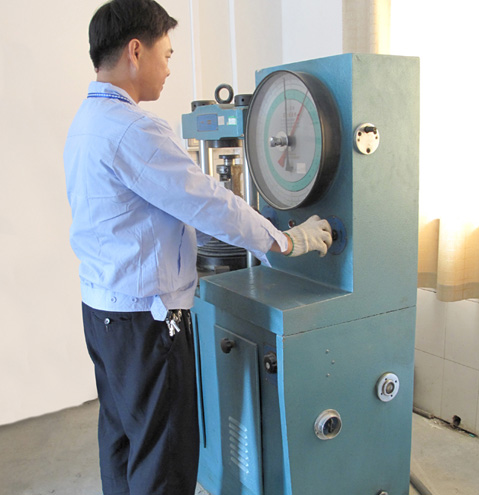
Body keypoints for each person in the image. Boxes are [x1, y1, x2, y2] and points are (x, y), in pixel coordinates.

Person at [63, 1, 333, 493]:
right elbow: (209, 202)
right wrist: (284, 240)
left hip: (103, 313)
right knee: (164, 456)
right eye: (167, 55)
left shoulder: (86, 121)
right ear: (136, 51)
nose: (169, 68)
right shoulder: (135, 129)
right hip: (146, 322)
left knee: (123, 439)